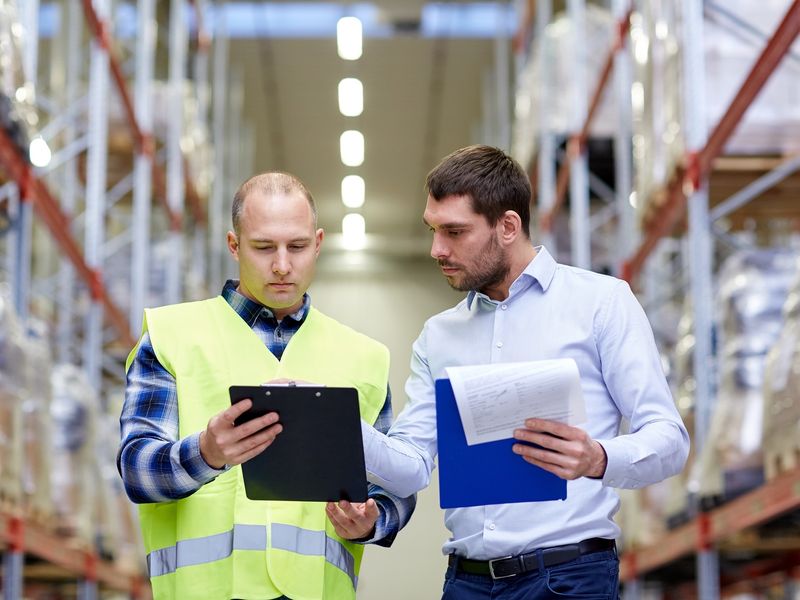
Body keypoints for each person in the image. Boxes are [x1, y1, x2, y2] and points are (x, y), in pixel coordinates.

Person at [360, 145, 690, 599]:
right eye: (433, 230)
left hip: (569, 577)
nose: (437, 249)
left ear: (509, 226)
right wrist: (341, 429)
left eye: (455, 232)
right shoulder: (439, 335)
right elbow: (413, 466)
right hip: (466, 582)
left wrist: (598, 458)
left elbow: (669, 439)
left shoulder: (601, 303)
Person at [118, 171, 415, 600]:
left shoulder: (364, 358)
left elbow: (398, 482)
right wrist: (206, 452)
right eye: (263, 247)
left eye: (296, 246)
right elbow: (136, 470)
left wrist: (374, 519)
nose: (281, 264)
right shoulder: (171, 337)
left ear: (318, 243)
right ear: (234, 245)